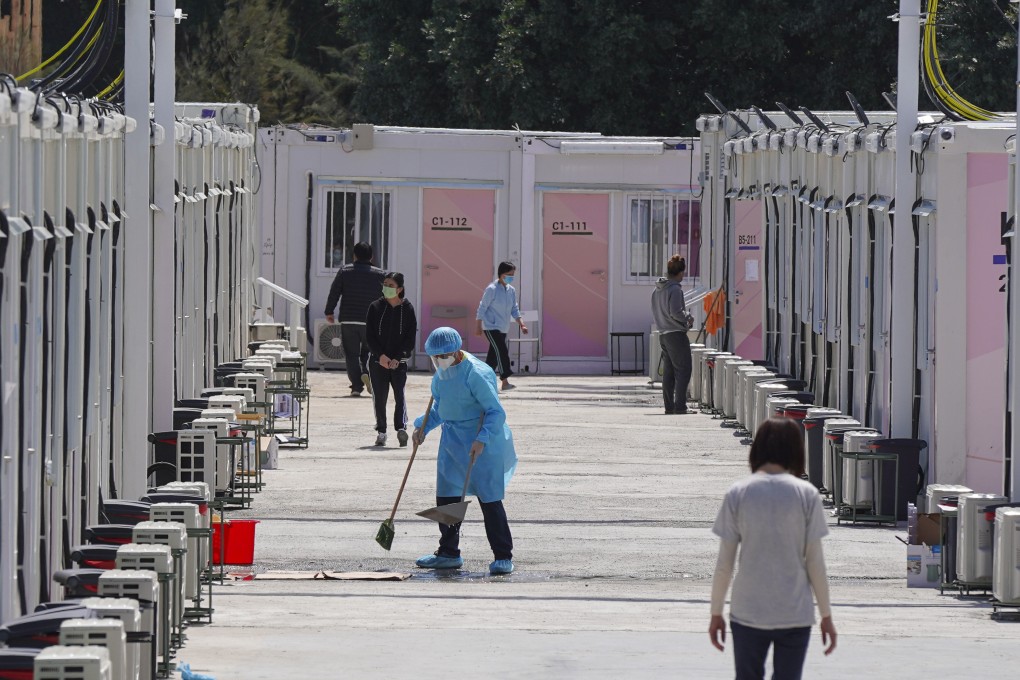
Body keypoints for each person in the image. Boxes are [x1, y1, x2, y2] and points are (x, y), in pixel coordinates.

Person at [709, 418, 837, 680]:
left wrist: (716, 612)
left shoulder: (738, 493)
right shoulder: (807, 495)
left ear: (756, 450)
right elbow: (815, 563)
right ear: (795, 451)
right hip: (794, 612)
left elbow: (724, 564)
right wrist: (826, 615)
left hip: (747, 612)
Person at [412, 326, 518, 575]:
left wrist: (482, 438)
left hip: (482, 439)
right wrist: (423, 427)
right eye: (435, 357)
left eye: (444, 355)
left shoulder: (477, 373)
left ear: (457, 350)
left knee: (489, 498)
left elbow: (495, 411)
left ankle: (503, 555)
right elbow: (441, 408)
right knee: (447, 497)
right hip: (452, 441)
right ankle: (449, 552)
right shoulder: (441, 374)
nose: (439, 361)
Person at [324, 241, 385, 397]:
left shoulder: (345, 271)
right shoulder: (380, 274)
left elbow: (334, 292)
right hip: (370, 321)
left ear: (354, 255)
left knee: (352, 354)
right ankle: (367, 373)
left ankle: (356, 387)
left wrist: (329, 311)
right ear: (371, 256)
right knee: (369, 352)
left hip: (349, 319)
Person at [365, 272, 417, 447]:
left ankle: (401, 428)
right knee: (379, 397)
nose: (386, 288)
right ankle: (381, 431)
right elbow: (370, 336)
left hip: (398, 362)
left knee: (399, 395)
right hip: (377, 360)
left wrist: (399, 357)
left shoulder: (408, 309)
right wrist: (380, 356)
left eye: (391, 285)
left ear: (400, 289)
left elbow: (410, 338)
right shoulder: (375, 307)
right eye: (385, 284)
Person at [650, 255, 694, 414]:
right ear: (680, 273)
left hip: (663, 334)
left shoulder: (657, 289)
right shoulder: (675, 289)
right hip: (676, 334)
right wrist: (688, 318)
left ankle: (669, 406)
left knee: (668, 372)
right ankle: (681, 406)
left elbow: (656, 311)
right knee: (683, 370)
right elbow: (675, 312)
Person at [475, 261, 528, 391]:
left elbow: (514, 309)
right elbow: (482, 307)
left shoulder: (511, 290)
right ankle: (505, 381)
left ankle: (482, 382)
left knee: (493, 357)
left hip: (503, 327)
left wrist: (522, 324)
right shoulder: (491, 289)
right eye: (509, 274)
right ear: (501, 274)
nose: (511, 277)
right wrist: (478, 326)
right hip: (491, 326)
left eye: (513, 274)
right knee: (502, 351)